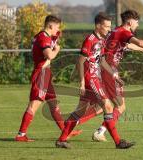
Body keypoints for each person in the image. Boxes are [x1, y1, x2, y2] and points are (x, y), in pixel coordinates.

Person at [55, 12, 135, 149]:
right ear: (98, 26)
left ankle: (61, 140)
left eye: (110, 26)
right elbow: (80, 62)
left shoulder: (102, 40)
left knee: (79, 111)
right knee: (108, 106)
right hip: (90, 78)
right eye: (106, 26)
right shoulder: (90, 39)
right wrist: (81, 82)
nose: (109, 29)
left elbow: (102, 61)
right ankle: (118, 142)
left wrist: (114, 76)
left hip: (95, 77)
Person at [92, 9, 143, 141]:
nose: (137, 25)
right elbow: (139, 42)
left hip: (106, 69)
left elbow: (130, 46)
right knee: (118, 106)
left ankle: (94, 129)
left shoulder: (117, 31)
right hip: (109, 69)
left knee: (107, 106)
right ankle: (96, 130)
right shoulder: (123, 32)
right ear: (130, 21)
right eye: (137, 22)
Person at [15, 15, 81, 142]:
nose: (58, 29)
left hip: (45, 74)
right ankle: (21, 135)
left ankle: (65, 132)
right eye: (57, 26)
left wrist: (54, 40)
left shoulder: (44, 37)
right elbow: (49, 55)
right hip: (41, 74)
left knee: (53, 105)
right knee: (34, 104)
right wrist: (56, 49)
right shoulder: (43, 37)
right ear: (51, 26)